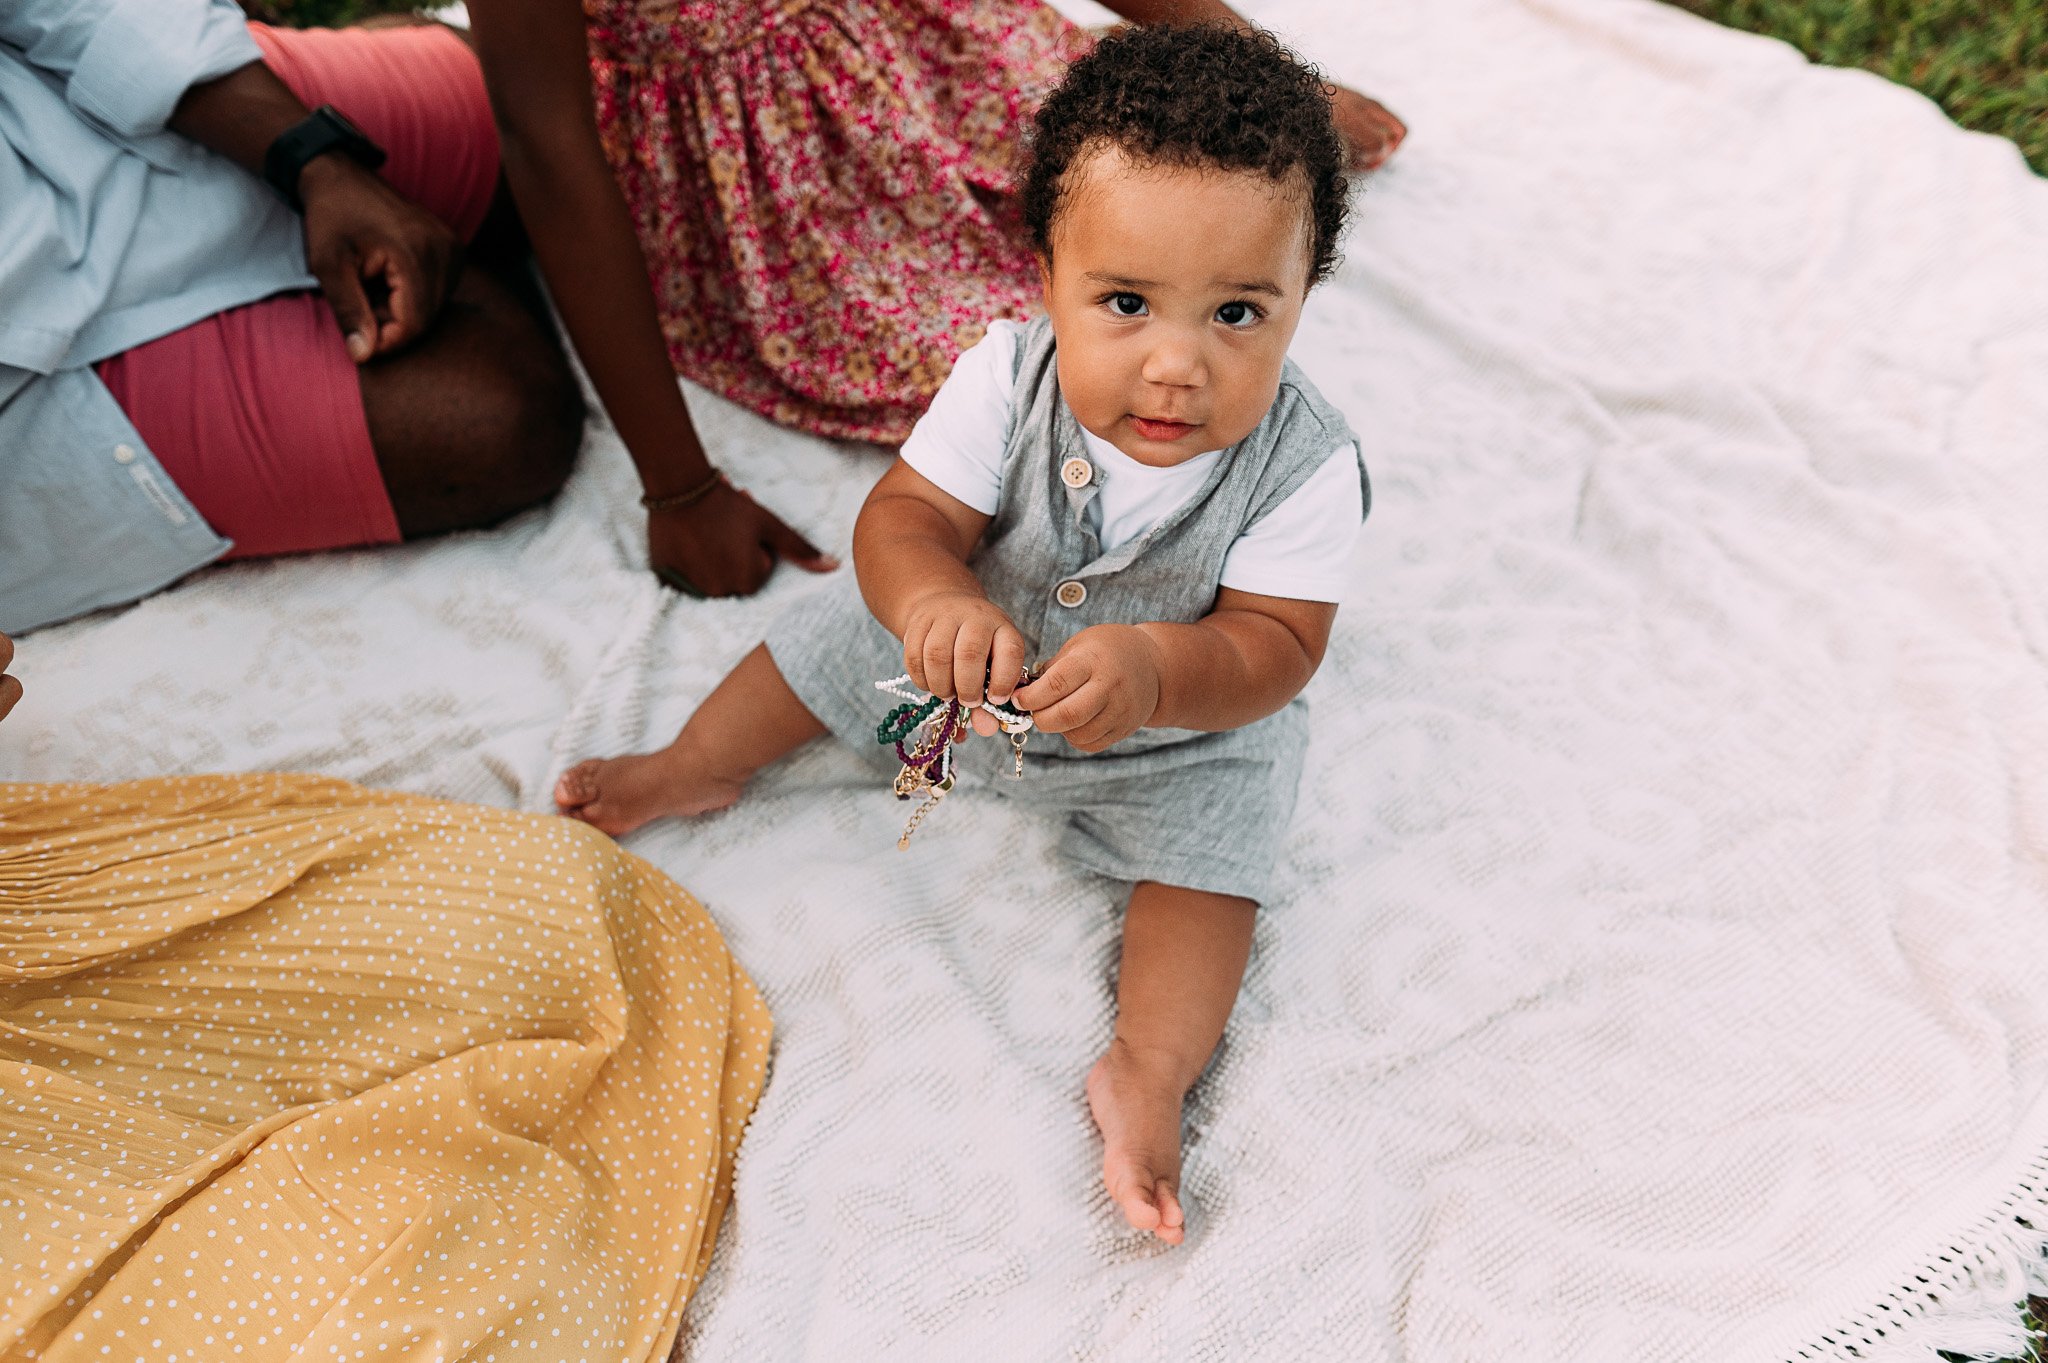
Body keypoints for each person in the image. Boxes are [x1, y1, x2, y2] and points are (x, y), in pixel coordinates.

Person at [553, 23, 1369, 1243]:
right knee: (824, 640)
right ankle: (693, 767)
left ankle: (1146, 1070)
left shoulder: (1307, 468)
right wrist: (930, 596)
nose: (1174, 364)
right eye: (1127, 302)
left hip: (1165, 733)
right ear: (1046, 274)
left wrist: (1161, 669)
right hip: (953, 662)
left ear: (1303, 299)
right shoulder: (1001, 378)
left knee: (1220, 854)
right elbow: (906, 519)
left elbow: (1275, 647)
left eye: (1238, 312)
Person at [464, 0, 1400, 597]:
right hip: (780, 173)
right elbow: (544, 140)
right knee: (1055, 359)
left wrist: (1269, 90)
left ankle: (1094, 61)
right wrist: (681, 487)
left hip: (936, 50)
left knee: (1178, 209)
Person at [0, 1, 581, 636]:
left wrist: (311, 156)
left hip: (81, 116)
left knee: (514, 102)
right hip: (27, 424)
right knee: (511, 423)